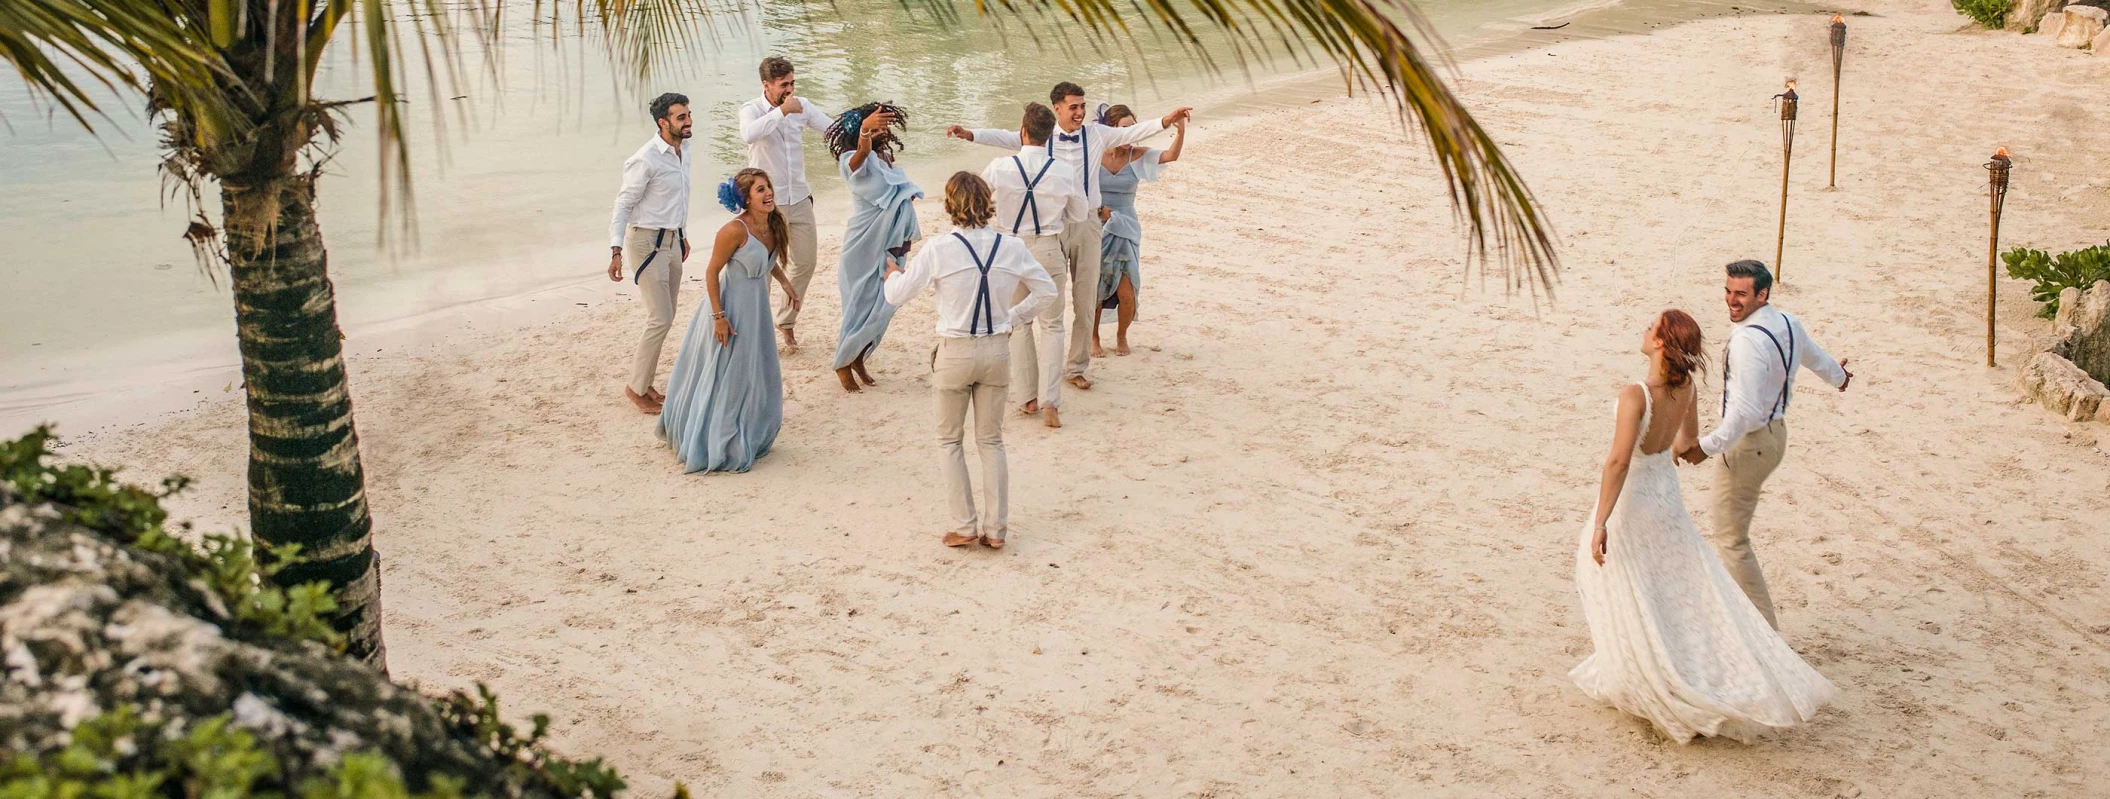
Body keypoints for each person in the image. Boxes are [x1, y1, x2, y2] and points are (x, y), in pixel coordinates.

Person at [1573, 309, 1836, 743]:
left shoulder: (1635, 394)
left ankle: (1649, 672)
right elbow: (1684, 446)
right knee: (1669, 584)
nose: (1644, 330)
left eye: (1650, 327)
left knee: (1622, 579)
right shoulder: (1687, 388)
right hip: (1666, 498)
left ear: (1661, 343)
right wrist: (1687, 448)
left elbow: (1619, 460)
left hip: (1635, 499)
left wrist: (1600, 522)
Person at [945, 83, 1192, 390]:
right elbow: (1006, 137)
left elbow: (1133, 133)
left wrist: (1167, 121)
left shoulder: (1096, 134)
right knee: (1053, 302)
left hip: (1088, 223)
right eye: (1073, 107)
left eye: (1082, 106)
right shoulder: (1041, 136)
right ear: (1057, 108)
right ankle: (1048, 366)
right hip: (1051, 226)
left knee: (1086, 297)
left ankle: (1076, 367)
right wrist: (970, 134)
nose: (1079, 112)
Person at [882, 172, 1057, 548]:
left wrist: (891, 275)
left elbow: (897, 296)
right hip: (996, 348)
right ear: (987, 202)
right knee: (991, 441)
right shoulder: (1011, 247)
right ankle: (996, 530)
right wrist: (1012, 317)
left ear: (950, 207)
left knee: (949, 441)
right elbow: (1048, 290)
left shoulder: (938, 248)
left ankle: (964, 525)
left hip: (955, 351)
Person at [1677, 260, 1853, 629]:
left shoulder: (1746, 342)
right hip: (1776, 437)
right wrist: (1839, 378)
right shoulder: (1788, 322)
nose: (1731, 300)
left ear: (1762, 294)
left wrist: (1705, 448)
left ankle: (1763, 633)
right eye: (1728, 291)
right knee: (1733, 535)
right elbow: (1815, 357)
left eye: (1741, 293)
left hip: (1749, 444)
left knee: (1731, 539)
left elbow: (1743, 413)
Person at [658, 169, 802, 473]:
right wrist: (718, 317)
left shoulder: (774, 224)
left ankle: (751, 428)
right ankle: (717, 439)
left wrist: (786, 283)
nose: (768, 194)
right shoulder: (734, 231)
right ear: (745, 198)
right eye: (760, 190)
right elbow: (711, 273)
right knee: (728, 372)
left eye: (769, 187)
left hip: (757, 307)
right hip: (730, 306)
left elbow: (767, 261)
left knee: (757, 368)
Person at [980, 102, 1087, 428]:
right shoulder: (1063, 171)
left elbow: (978, 199)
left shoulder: (1000, 166)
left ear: (1022, 132)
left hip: (1011, 248)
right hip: (1048, 247)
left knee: (1020, 322)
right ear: (1049, 135)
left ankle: (1027, 398)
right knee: (1052, 325)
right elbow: (1080, 214)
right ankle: (1050, 402)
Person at [606, 92, 695, 415]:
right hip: (647, 244)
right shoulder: (646, 158)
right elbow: (623, 204)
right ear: (663, 122)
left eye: (688, 115)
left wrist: (682, 234)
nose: (688, 122)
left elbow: (677, 199)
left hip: (672, 241)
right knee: (659, 317)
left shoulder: (683, 152)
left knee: (667, 316)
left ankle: (646, 383)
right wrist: (615, 250)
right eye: (680, 117)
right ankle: (636, 388)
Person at [737, 56, 833, 354]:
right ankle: (760, 331)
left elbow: (833, 129)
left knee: (806, 261)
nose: (790, 90)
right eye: (783, 85)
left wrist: (866, 133)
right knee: (762, 270)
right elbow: (748, 135)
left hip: (800, 197)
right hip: (766, 205)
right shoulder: (751, 110)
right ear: (767, 86)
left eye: (792, 83)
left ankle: (786, 321)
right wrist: (781, 112)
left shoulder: (801, 105)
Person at [828, 102, 922, 393]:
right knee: (860, 306)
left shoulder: (886, 157)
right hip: (863, 245)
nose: (885, 129)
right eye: (878, 124)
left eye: (885, 125)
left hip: (889, 243)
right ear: (861, 128)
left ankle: (859, 356)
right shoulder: (853, 159)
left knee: (886, 303)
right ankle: (843, 363)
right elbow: (859, 159)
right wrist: (866, 133)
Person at [1092, 104, 1185, 358]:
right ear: (1110, 130)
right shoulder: (1092, 154)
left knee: (1127, 286)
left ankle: (1122, 335)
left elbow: (1170, 156)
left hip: (1126, 226)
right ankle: (1094, 337)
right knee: (1096, 285)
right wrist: (1098, 210)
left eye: (1134, 128)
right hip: (1096, 225)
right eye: (1125, 128)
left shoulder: (1138, 154)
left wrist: (1180, 132)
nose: (1131, 133)